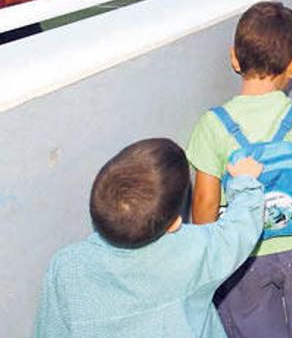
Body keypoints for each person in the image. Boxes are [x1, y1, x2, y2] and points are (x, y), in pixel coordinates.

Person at [187, 2, 292, 338]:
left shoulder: (211, 125)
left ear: (234, 58)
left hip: (243, 251)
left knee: (250, 323)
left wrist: (208, 257)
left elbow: (205, 203)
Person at [33, 138, 266, 336]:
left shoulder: (65, 268)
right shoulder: (194, 252)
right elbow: (239, 230)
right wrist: (245, 183)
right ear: (175, 223)